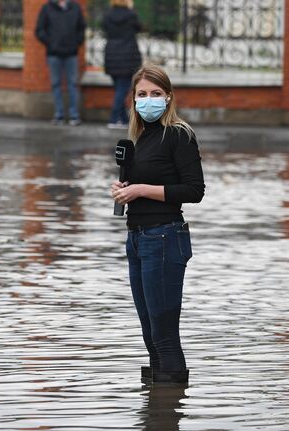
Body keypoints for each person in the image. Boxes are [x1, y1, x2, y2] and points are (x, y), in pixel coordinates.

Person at [110, 64, 205, 384]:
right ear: (133, 100)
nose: (148, 100)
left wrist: (141, 189)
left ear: (168, 98)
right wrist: (124, 190)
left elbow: (194, 191)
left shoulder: (178, 135)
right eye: (142, 95)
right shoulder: (139, 138)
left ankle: (169, 410)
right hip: (137, 238)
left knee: (164, 334)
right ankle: (157, 410)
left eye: (155, 94)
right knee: (149, 332)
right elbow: (144, 183)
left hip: (164, 237)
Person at [34, 0, 86, 126]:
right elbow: (39, 30)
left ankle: (74, 116)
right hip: (54, 54)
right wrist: (51, 43)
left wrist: (76, 43)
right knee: (56, 84)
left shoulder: (75, 7)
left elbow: (82, 28)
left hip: (71, 54)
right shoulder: (47, 8)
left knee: (73, 84)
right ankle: (59, 115)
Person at [103, 0, 143, 129]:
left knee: (118, 89)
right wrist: (132, 10)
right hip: (127, 55)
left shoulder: (108, 15)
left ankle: (124, 120)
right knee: (122, 90)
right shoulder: (131, 15)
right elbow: (139, 27)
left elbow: (104, 27)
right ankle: (114, 119)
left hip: (112, 55)